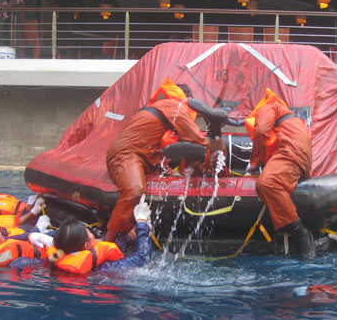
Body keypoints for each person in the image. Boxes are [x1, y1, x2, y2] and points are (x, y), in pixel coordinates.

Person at [105, 83, 226, 242]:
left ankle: (137, 229)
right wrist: (215, 133)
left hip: (147, 159)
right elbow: (200, 143)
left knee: (173, 177)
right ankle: (109, 241)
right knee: (135, 190)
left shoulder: (161, 107)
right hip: (127, 154)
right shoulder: (177, 107)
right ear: (188, 99)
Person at [244, 89, 314, 259]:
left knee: (266, 183)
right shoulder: (288, 119)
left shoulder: (267, 107)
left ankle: (301, 233)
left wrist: (253, 162)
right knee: (266, 187)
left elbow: (261, 132)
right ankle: (285, 230)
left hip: (290, 150)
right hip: (299, 155)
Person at [50, 194, 152, 271]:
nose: (92, 234)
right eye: (89, 232)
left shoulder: (74, 253)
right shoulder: (105, 268)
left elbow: (106, 250)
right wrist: (141, 221)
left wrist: (128, 236)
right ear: (87, 245)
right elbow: (142, 259)